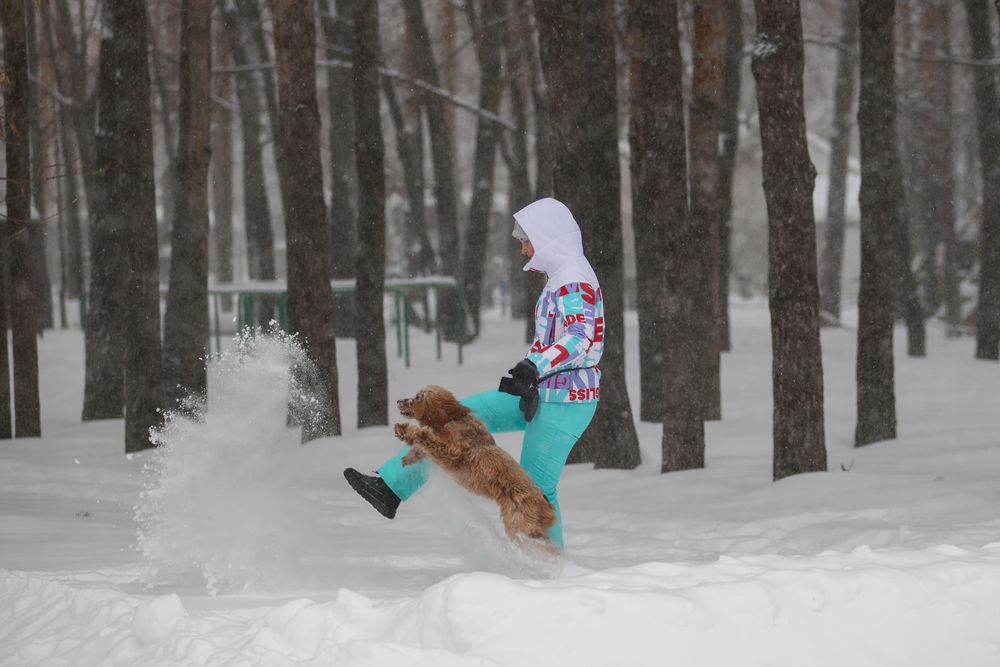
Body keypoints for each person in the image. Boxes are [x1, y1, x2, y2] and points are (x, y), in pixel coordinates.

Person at [344, 197, 605, 549]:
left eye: (526, 240)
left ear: (548, 236)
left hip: (567, 399)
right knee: (455, 421)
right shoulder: (561, 278)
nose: (524, 249)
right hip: (543, 389)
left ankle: (545, 565)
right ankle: (390, 487)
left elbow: (580, 337)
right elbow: (553, 339)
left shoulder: (573, 279)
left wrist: (535, 367)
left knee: (533, 489)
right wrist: (528, 375)